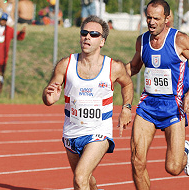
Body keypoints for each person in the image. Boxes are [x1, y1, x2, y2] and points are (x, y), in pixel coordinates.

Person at [42, 15, 133, 189]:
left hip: (99, 131)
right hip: (72, 131)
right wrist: (48, 98)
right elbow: (48, 94)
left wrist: (127, 108)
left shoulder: (113, 67)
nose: (87, 37)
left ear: (102, 41)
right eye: (84, 33)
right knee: (87, 179)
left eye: (93, 34)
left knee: (80, 178)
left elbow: (127, 84)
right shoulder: (66, 64)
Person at [125, 0, 189, 189]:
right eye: (148, 18)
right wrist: (106, 76)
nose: (151, 22)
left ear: (167, 19)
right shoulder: (142, 40)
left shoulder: (180, 40)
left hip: (173, 107)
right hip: (148, 106)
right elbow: (134, 67)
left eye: (156, 18)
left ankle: (186, 152)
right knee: (137, 161)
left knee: (173, 167)